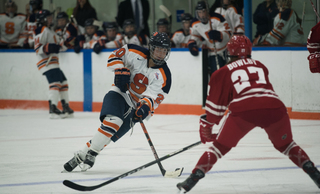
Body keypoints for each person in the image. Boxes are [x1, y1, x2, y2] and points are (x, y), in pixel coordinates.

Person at [176, 35, 320, 194]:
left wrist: (207, 129)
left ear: (229, 52)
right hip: (275, 108)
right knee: (288, 145)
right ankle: (314, 173)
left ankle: (192, 180)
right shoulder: (260, 66)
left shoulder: (222, 72)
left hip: (244, 111)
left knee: (219, 148)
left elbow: (215, 111)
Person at [63, 32, 172, 172]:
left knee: (109, 135)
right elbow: (114, 57)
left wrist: (144, 108)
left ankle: (81, 155)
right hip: (119, 92)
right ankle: (93, 152)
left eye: (164, 51)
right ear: (151, 48)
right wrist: (121, 69)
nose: (160, 54)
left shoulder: (165, 76)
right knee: (113, 122)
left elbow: (153, 98)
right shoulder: (133, 51)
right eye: (158, 49)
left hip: (136, 106)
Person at [33, 9, 74, 119]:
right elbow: (37, 48)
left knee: (64, 82)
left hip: (54, 63)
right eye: (50, 17)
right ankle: (53, 108)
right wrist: (49, 47)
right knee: (55, 83)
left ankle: (65, 107)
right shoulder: (41, 30)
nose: (52, 19)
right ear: (44, 19)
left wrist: (68, 42)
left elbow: (61, 46)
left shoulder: (51, 31)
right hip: (46, 63)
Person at [188, 1, 232, 74]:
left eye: (203, 12)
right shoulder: (194, 23)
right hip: (209, 54)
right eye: (199, 12)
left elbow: (229, 34)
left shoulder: (217, 18)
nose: (202, 15)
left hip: (224, 52)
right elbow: (195, 37)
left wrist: (219, 35)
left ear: (207, 11)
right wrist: (192, 44)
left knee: (224, 75)